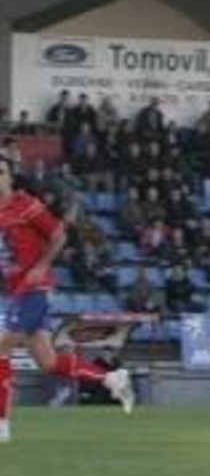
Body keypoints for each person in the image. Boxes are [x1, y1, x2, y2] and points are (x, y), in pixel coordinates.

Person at [0, 159, 134, 441]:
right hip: (17, 290)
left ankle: (2, 425)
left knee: (1, 350)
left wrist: (41, 266)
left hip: (33, 289)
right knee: (48, 363)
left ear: (11, 178)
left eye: (0, 172)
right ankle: (111, 378)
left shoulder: (26, 204)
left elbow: (58, 234)